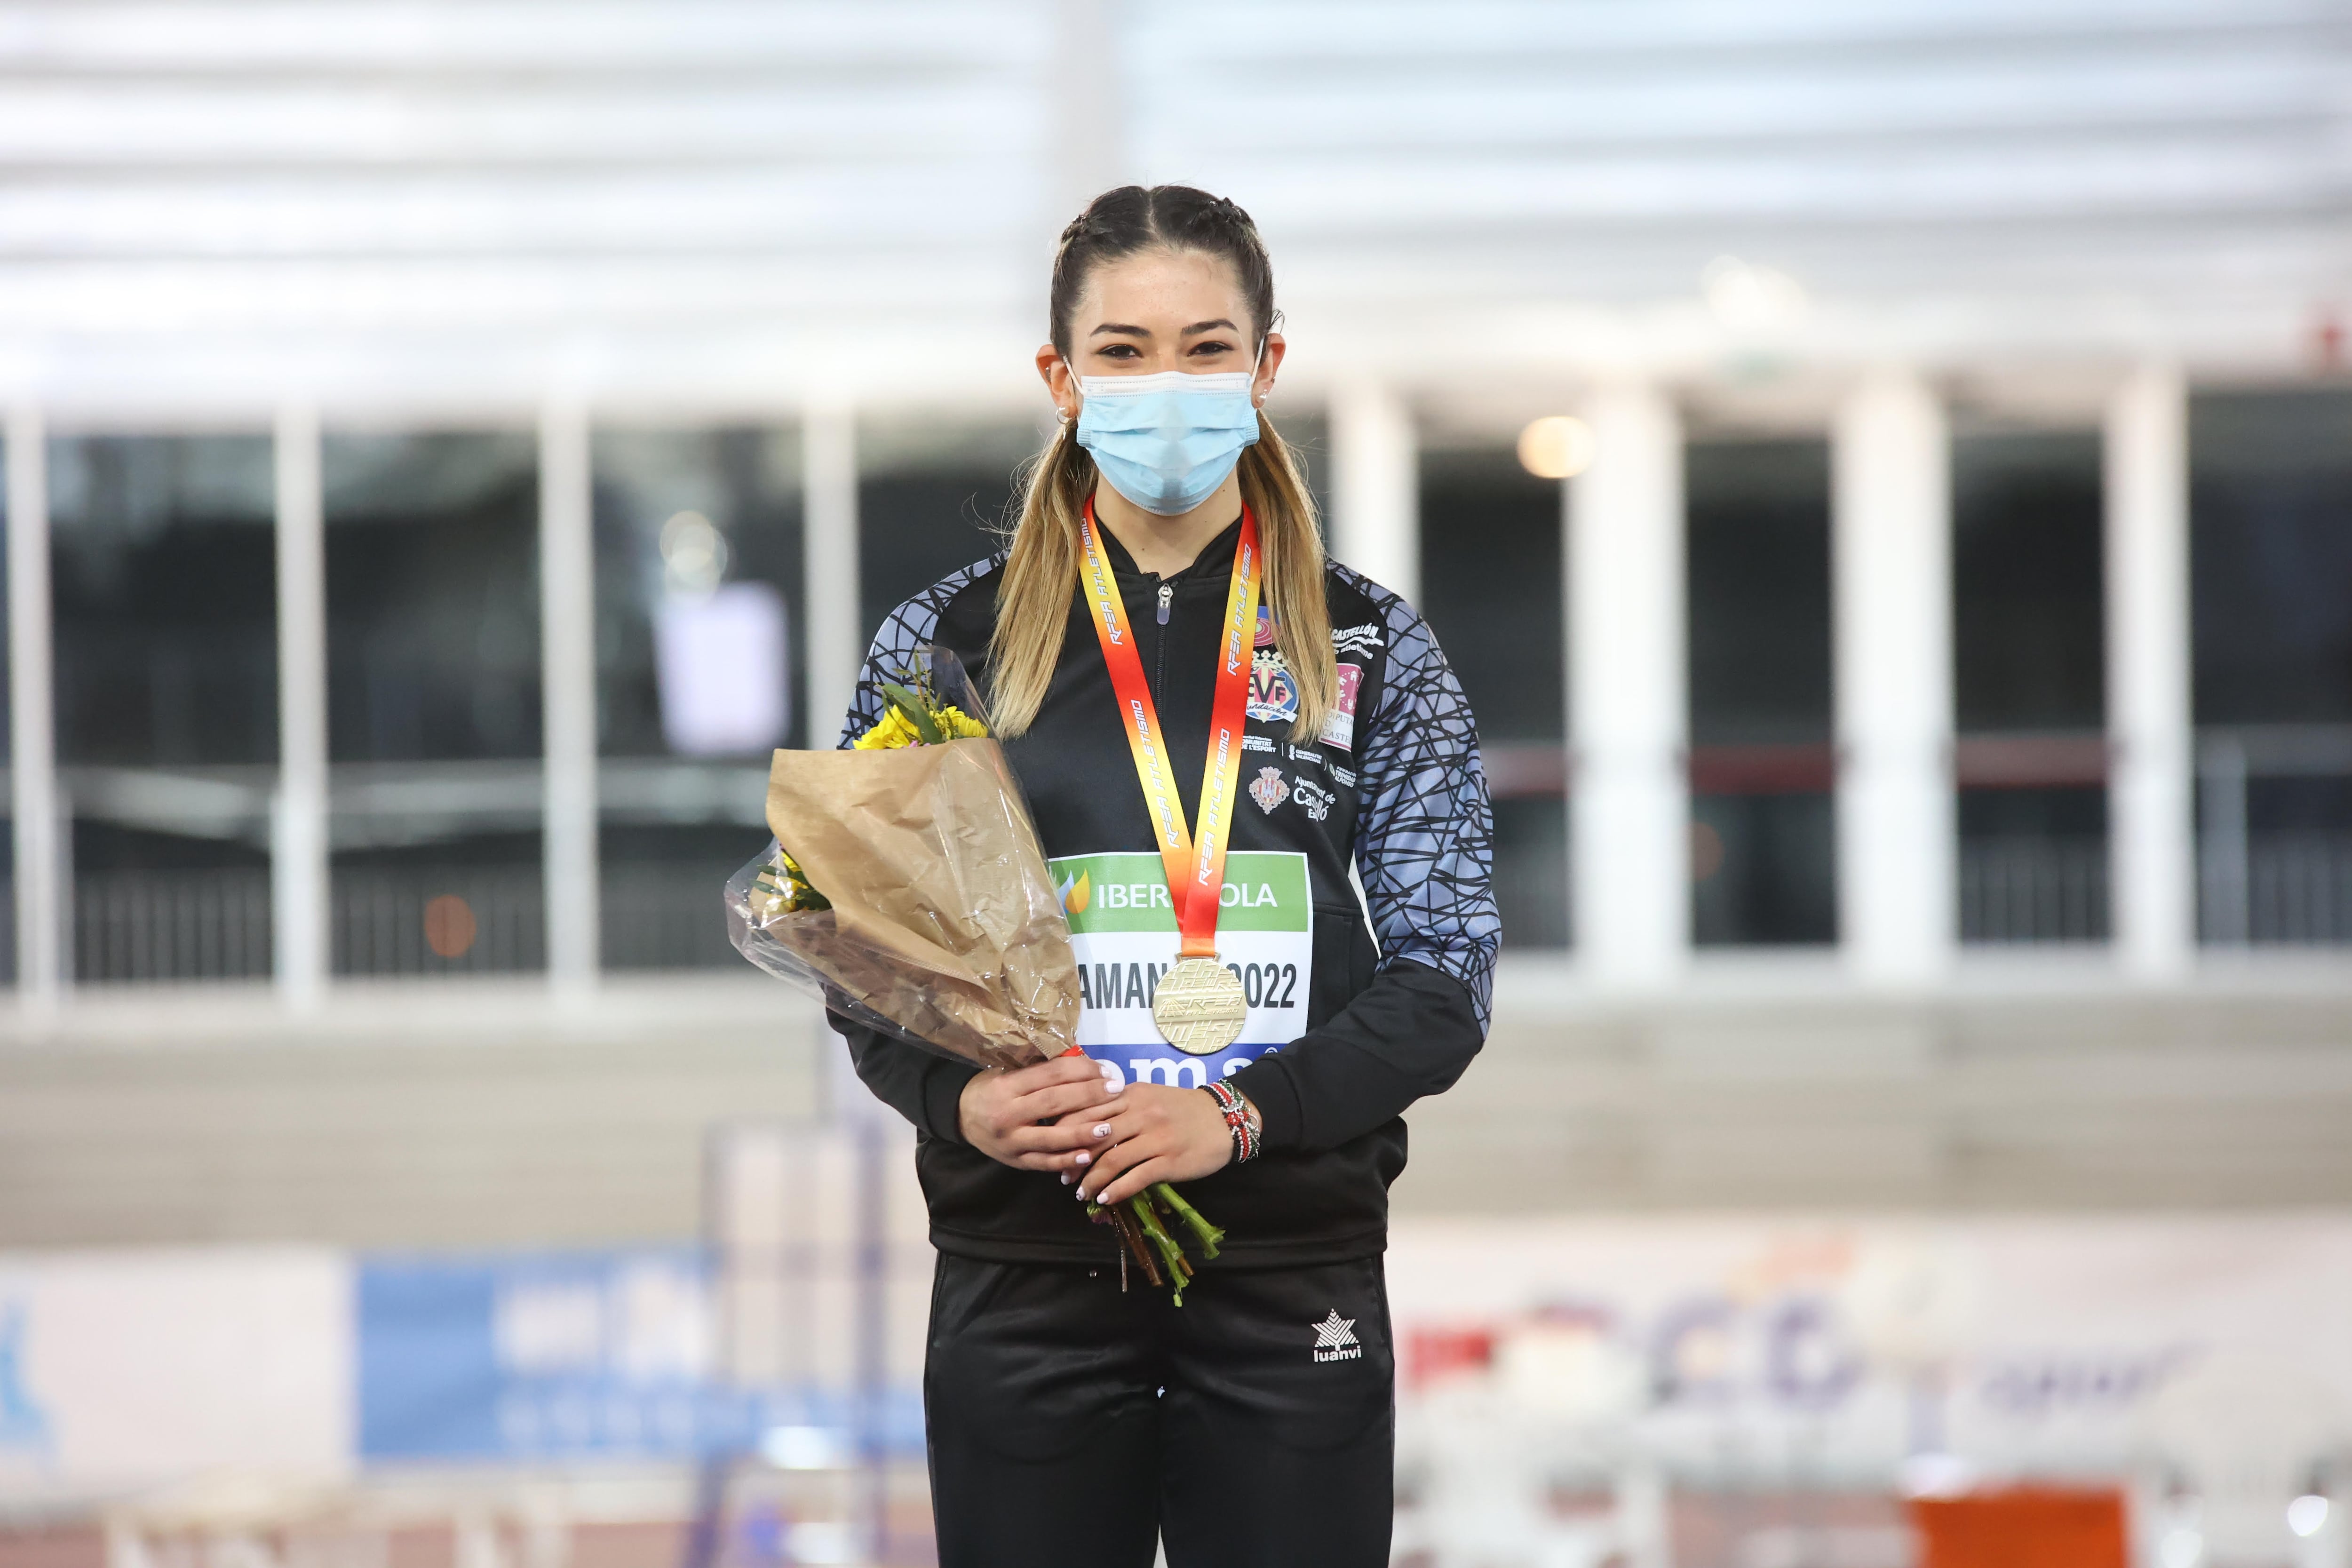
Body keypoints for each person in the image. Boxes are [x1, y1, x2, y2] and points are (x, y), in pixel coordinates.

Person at [835, 183, 1498, 1568]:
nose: (1167, 384)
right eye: (1124, 352)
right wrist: (963, 1098)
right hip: (1028, 1267)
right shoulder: (944, 643)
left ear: (1265, 367)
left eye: (1206, 348)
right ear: (1060, 377)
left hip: (1286, 1272)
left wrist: (1240, 1120)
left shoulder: (1368, 644)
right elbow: (861, 953)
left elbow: (1446, 978)